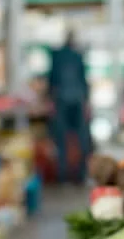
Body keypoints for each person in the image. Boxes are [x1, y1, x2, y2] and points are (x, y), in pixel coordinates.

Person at [47, 30, 92, 184]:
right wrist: (86, 103)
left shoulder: (56, 57)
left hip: (61, 101)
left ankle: (62, 176)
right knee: (82, 140)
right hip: (78, 101)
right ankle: (81, 175)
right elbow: (84, 82)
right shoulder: (78, 56)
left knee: (61, 140)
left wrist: (51, 101)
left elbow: (51, 81)